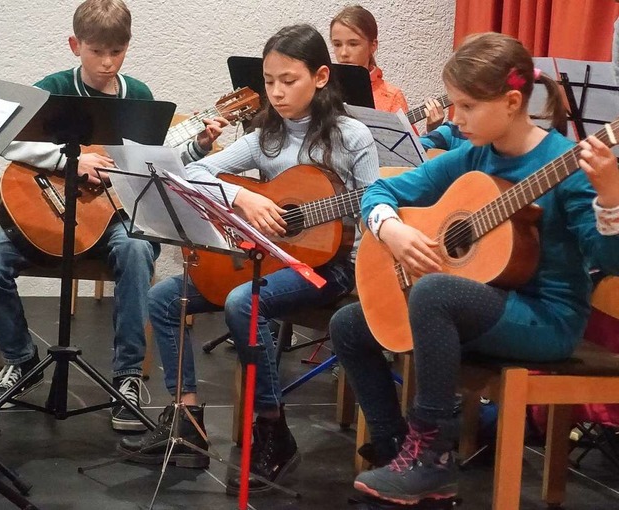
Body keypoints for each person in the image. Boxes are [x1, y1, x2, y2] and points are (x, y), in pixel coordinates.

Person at [329, 31, 619, 505]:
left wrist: (610, 195)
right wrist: (392, 231)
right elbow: (379, 193)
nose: (455, 118)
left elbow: (611, 262)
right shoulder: (473, 157)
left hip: (547, 318)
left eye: (466, 107)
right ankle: (395, 445)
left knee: (433, 293)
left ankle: (432, 460)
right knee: (350, 324)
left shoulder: (564, 166)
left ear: (510, 102)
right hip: (482, 300)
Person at [119, 24, 380, 494]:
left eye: (289, 80)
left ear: (321, 77)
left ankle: (272, 428)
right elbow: (193, 172)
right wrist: (242, 197)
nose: (276, 93)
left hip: (331, 267)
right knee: (163, 298)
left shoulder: (353, 135)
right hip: (271, 260)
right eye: (269, 80)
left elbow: (374, 201)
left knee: (243, 302)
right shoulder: (267, 135)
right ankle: (189, 422)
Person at [0, 0, 227, 433]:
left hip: (113, 217)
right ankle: (19, 360)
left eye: (118, 51)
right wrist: (68, 162)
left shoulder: (140, 97)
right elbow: (7, 139)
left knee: (136, 251)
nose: (108, 62)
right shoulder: (54, 88)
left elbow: (155, 163)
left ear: (128, 46)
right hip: (47, 212)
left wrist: (199, 146)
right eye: (97, 51)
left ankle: (126, 375)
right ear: (75, 45)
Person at [329, 5, 443, 134]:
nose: (343, 53)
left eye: (353, 44)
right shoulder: (322, 88)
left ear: (373, 46)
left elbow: (407, 151)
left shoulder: (391, 96)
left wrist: (433, 131)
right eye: (337, 44)